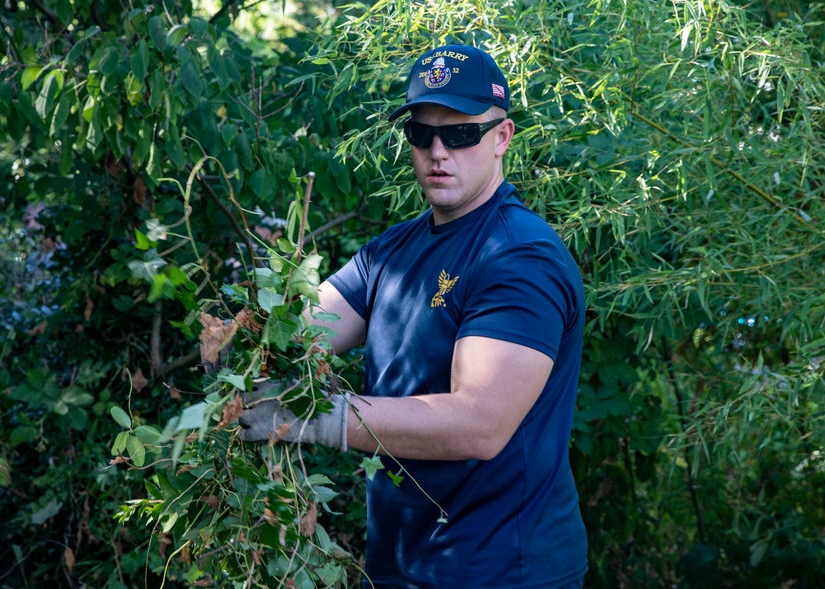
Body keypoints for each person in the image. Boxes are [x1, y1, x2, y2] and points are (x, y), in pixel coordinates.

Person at [239, 43, 588, 588]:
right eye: (421, 134)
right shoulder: (391, 252)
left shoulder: (519, 257)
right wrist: (253, 322)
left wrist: (312, 418)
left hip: (500, 572)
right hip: (400, 567)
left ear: (502, 137)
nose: (438, 151)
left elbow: (480, 424)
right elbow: (302, 335)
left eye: (461, 133)